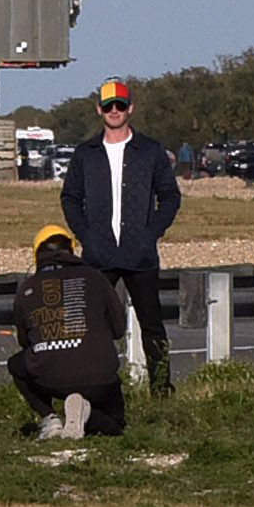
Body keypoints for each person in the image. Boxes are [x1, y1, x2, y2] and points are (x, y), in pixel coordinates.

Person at [59, 76, 183, 394]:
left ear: (131, 108)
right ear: (99, 109)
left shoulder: (150, 151)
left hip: (140, 255)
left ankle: (161, 390)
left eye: (120, 105)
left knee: (152, 326)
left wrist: (151, 233)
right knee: (93, 326)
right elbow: (70, 198)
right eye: (108, 105)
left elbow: (170, 196)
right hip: (99, 255)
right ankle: (94, 390)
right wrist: (85, 235)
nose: (114, 110)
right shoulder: (86, 153)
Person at [8, 224, 129, 438]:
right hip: (99, 375)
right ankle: (87, 415)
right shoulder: (95, 278)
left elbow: (25, 341)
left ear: (37, 255)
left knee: (16, 364)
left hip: (50, 377)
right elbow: (119, 329)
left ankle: (50, 418)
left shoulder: (28, 288)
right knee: (116, 423)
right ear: (72, 250)